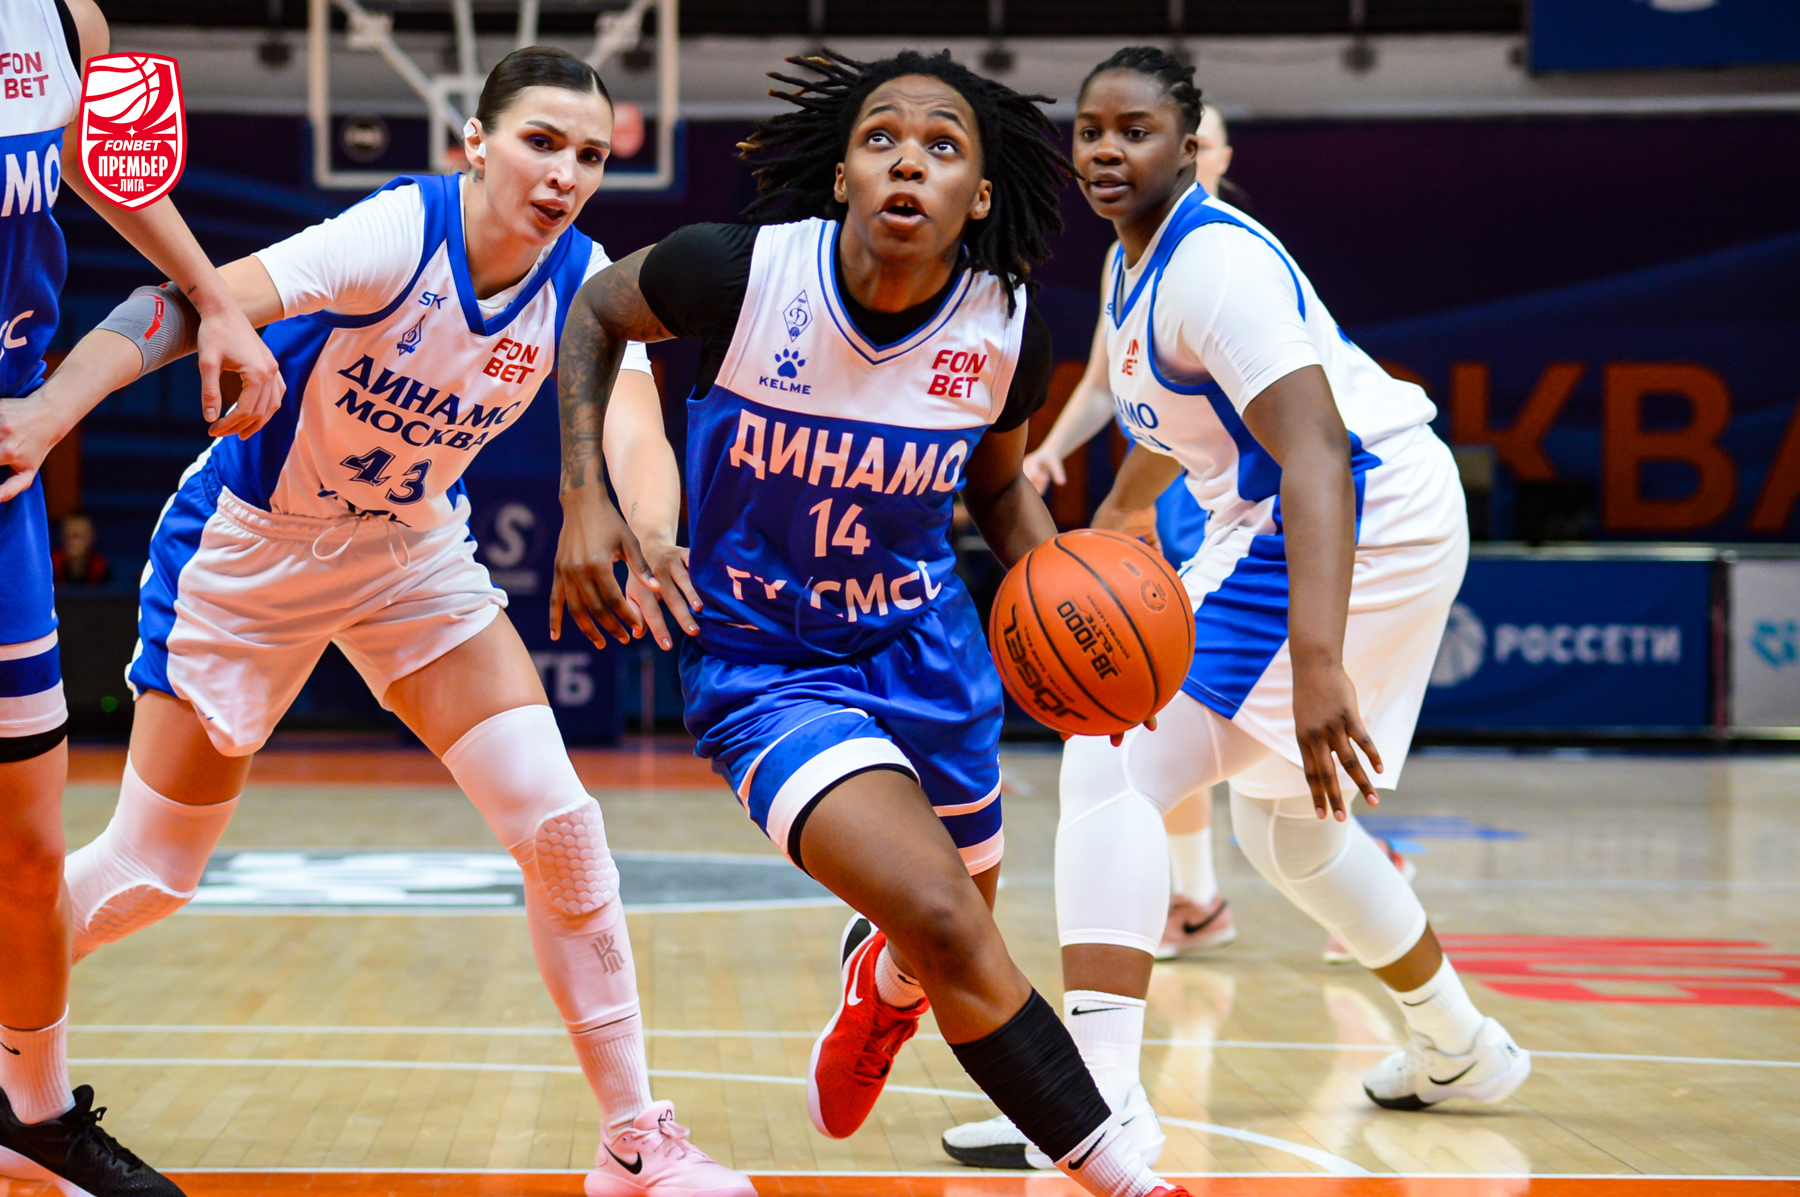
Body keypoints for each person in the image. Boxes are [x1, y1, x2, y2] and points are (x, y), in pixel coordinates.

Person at [50, 46, 752, 1197]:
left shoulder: (585, 284)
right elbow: (188, 304)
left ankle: (634, 1140)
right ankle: (19, 1046)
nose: (565, 173)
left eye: (588, 155)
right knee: (150, 875)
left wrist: (652, 529)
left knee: (563, 829)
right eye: (540, 142)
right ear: (475, 143)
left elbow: (634, 421)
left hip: (408, 556)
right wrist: (49, 409)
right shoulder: (397, 232)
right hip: (250, 553)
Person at [553, 48, 1192, 1197]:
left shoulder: (1002, 328)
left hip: (926, 653)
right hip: (767, 667)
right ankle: (1134, 1183)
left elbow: (998, 489)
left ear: (978, 197)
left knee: (942, 934)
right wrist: (585, 497)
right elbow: (598, 312)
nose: (908, 161)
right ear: (844, 174)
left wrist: (1086, 627)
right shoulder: (738, 273)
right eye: (881, 138)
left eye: (943, 147)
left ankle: (880, 992)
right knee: (947, 919)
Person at [946, 44, 1531, 1169]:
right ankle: (1461, 1044)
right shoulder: (1134, 261)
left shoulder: (1215, 266)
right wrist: (1120, 516)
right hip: (1309, 515)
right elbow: (1180, 424)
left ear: (1190, 143)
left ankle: (1097, 1101)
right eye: (1091, 132)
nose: (1107, 151)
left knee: (1112, 754)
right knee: (1290, 832)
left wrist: (1318, 661)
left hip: (1361, 507)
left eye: (1137, 132)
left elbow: (1317, 454)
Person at [0, 0, 283, 1190]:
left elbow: (106, 168)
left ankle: (30, 1112)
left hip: (5, 466)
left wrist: (214, 297)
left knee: (27, 847)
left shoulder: (65, 18)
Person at [1017, 102, 1235, 969]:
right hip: (1165, 499)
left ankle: (1221, 887)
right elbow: (1108, 386)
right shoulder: (1125, 258)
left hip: (1231, 503)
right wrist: (1052, 450)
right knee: (1155, 695)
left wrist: (1117, 502)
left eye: (1196, 142)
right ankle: (1197, 894)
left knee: (1182, 706)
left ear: (1213, 155)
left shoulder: (1227, 257)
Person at [52, 513, 111, 586]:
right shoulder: (52, 566)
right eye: (67, 537)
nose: (72, 542)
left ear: (90, 538)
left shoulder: (101, 567)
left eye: (77, 537)